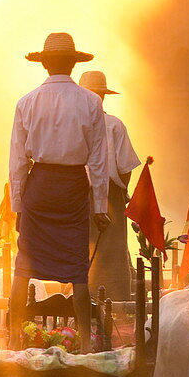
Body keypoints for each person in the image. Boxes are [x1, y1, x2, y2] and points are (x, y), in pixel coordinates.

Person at [9, 32, 110, 352]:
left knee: (23, 266)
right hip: (72, 188)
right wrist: (99, 206)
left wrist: (18, 207)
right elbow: (98, 161)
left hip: (39, 187)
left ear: (46, 64)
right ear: (71, 63)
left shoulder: (26, 102)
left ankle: (13, 339)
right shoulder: (91, 101)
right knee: (77, 267)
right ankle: (83, 344)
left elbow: (17, 161)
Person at [79, 70, 141, 300]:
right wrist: (121, 191)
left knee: (81, 250)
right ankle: (114, 304)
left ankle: (79, 298)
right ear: (103, 97)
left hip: (77, 193)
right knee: (110, 253)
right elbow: (125, 168)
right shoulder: (114, 125)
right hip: (109, 193)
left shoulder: (70, 124)